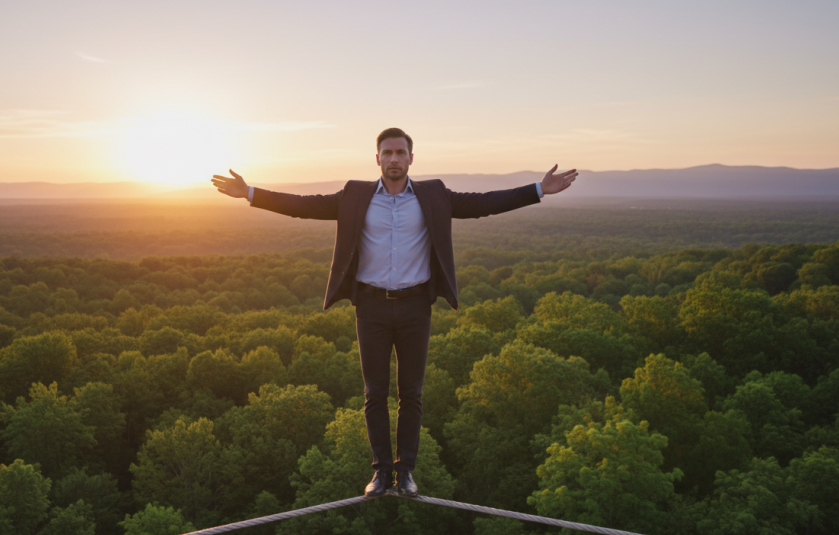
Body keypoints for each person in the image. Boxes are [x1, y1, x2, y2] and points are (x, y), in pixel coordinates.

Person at [211, 128, 577, 498]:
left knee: (411, 393)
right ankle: (381, 472)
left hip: (416, 306)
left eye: (401, 152)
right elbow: (305, 205)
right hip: (370, 307)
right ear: (377, 159)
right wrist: (250, 193)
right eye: (387, 152)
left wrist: (539, 190)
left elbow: (483, 203)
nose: (394, 159)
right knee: (375, 393)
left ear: (411, 159)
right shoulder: (355, 195)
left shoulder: (433, 195)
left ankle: (406, 473)